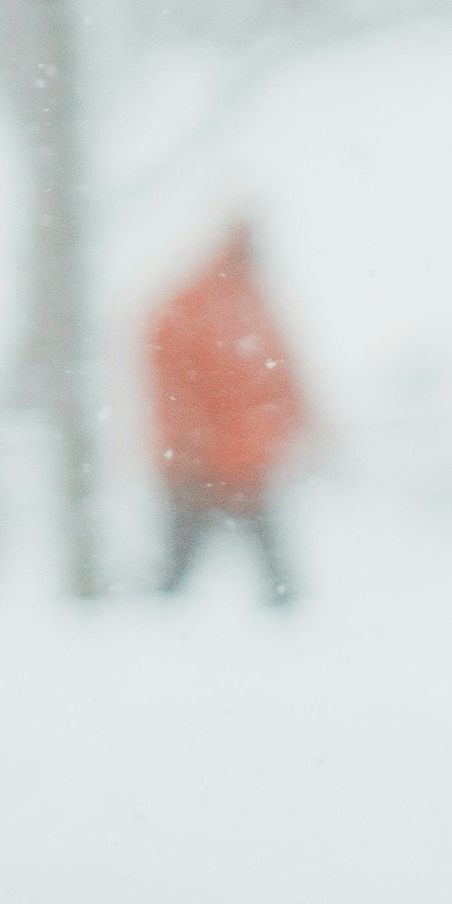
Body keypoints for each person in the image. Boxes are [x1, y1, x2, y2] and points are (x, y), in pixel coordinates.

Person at [142, 212, 311, 608]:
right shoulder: (200, 305)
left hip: (240, 463)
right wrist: (185, 439)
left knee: (272, 576)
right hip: (203, 466)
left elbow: (283, 378)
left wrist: (297, 423)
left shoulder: (248, 305)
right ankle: (148, 641)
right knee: (175, 576)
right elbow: (170, 381)